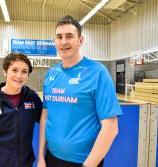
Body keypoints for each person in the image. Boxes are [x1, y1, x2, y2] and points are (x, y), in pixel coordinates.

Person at [37, 15, 123, 167]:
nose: (63, 42)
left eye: (69, 36)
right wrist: (41, 157)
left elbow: (111, 127)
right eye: (59, 37)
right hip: (51, 158)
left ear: (80, 40)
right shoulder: (51, 74)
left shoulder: (97, 72)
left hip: (84, 162)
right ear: (55, 42)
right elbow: (45, 116)